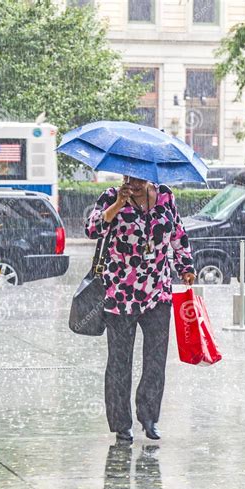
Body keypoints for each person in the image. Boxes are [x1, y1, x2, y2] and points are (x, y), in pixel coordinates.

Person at [85, 175, 195, 443]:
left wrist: (186, 267)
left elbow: (178, 234)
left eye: (137, 177)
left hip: (158, 293)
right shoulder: (112, 196)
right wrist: (117, 205)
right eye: (127, 177)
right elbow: (91, 230)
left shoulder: (166, 196)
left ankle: (149, 417)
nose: (131, 181)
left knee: (156, 361)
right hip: (120, 293)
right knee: (120, 363)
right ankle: (122, 425)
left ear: (150, 176)